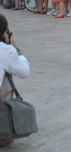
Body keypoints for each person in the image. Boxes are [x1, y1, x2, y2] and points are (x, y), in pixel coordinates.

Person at [0, 14, 30, 146]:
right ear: (3, 34)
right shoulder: (5, 50)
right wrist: (13, 45)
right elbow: (25, 72)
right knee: (7, 79)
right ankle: (2, 133)